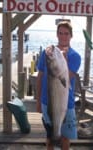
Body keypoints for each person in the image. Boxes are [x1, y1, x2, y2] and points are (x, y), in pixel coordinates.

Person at [36, 21, 81, 150]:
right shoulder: (48, 53)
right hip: (46, 101)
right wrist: (38, 101)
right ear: (57, 35)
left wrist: (63, 59)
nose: (63, 36)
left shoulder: (75, 56)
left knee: (65, 138)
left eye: (66, 33)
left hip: (66, 104)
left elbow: (66, 77)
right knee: (50, 137)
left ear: (71, 36)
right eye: (60, 33)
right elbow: (40, 77)